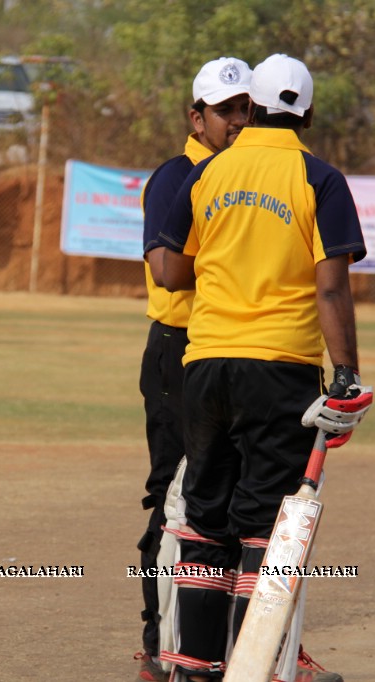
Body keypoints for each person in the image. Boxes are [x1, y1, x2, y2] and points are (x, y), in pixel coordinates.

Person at [155, 54, 372, 682]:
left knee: (204, 519)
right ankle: (251, 670)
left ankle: (194, 670)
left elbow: (168, 270)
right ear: (308, 113)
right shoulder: (320, 179)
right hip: (278, 367)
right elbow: (331, 290)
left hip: (205, 363)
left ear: (248, 108)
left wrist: (227, 267)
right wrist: (347, 372)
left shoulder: (208, 172)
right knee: (264, 529)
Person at [136, 57, 253, 682]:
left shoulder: (246, 175)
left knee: (233, 502)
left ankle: (231, 648)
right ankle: (160, 649)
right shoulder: (177, 175)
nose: (237, 120)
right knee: (175, 501)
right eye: (225, 109)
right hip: (178, 352)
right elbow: (164, 268)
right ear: (196, 116)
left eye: (245, 109)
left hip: (231, 349)